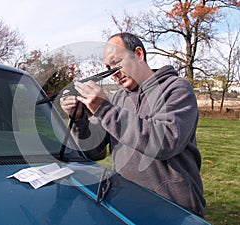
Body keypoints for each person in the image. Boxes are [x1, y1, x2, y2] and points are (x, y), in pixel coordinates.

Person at [60, 32, 206, 217]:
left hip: (174, 208)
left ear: (138, 54)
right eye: (107, 67)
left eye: (116, 62)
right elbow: (93, 151)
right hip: (127, 202)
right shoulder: (117, 99)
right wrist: (79, 118)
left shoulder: (176, 88)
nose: (113, 73)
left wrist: (103, 108)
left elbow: (166, 142)